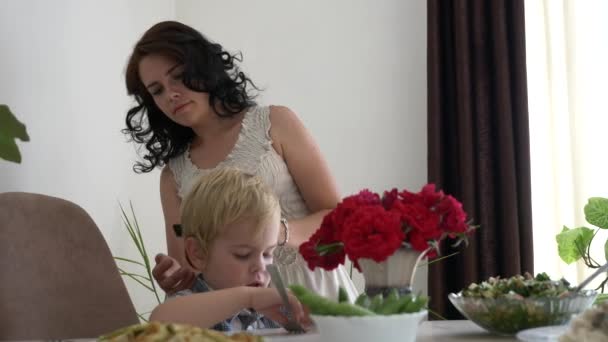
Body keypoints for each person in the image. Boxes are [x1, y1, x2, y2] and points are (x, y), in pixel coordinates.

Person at [123, 20, 357, 300]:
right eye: (157, 90)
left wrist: (277, 233)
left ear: (202, 66)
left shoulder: (275, 123)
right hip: (241, 314)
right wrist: (174, 276)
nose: (171, 93)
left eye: (178, 75)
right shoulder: (174, 176)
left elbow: (337, 218)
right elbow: (189, 271)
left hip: (317, 293)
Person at [149, 168, 309, 331]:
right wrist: (247, 298)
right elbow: (159, 320)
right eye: (243, 255)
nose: (261, 266)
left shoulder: (271, 312)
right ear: (199, 253)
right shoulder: (188, 302)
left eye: (267, 254)